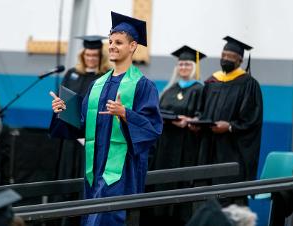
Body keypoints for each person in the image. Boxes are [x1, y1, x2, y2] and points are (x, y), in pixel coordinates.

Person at [50, 11, 163, 226]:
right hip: (94, 170)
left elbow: (153, 130)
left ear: (133, 46)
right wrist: (63, 111)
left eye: (119, 42)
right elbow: (82, 126)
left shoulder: (143, 85)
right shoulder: (97, 85)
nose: (112, 46)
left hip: (121, 172)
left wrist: (125, 115)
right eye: (110, 42)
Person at [194, 36, 263, 198]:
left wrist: (230, 126)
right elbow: (201, 110)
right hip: (209, 149)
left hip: (231, 151)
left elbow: (252, 120)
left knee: (228, 199)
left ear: (240, 60)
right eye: (223, 55)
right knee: (204, 195)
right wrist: (197, 121)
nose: (225, 59)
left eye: (230, 57)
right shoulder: (212, 82)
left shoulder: (249, 84)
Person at [149, 46, 206, 225]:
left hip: (186, 145)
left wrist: (190, 120)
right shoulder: (169, 89)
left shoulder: (200, 89)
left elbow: (203, 116)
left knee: (180, 185)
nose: (183, 68)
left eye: (187, 65)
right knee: (162, 183)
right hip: (165, 145)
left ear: (194, 67)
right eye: (181, 64)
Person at [54, 35, 111, 181]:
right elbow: (63, 99)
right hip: (70, 135)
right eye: (87, 55)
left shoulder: (105, 77)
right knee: (67, 176)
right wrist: (58, 106)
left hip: (92, 138)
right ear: (82, 55)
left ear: (100, 56)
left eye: (94, 55)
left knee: (87, 177)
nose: (91, 58)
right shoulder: (72, 74)